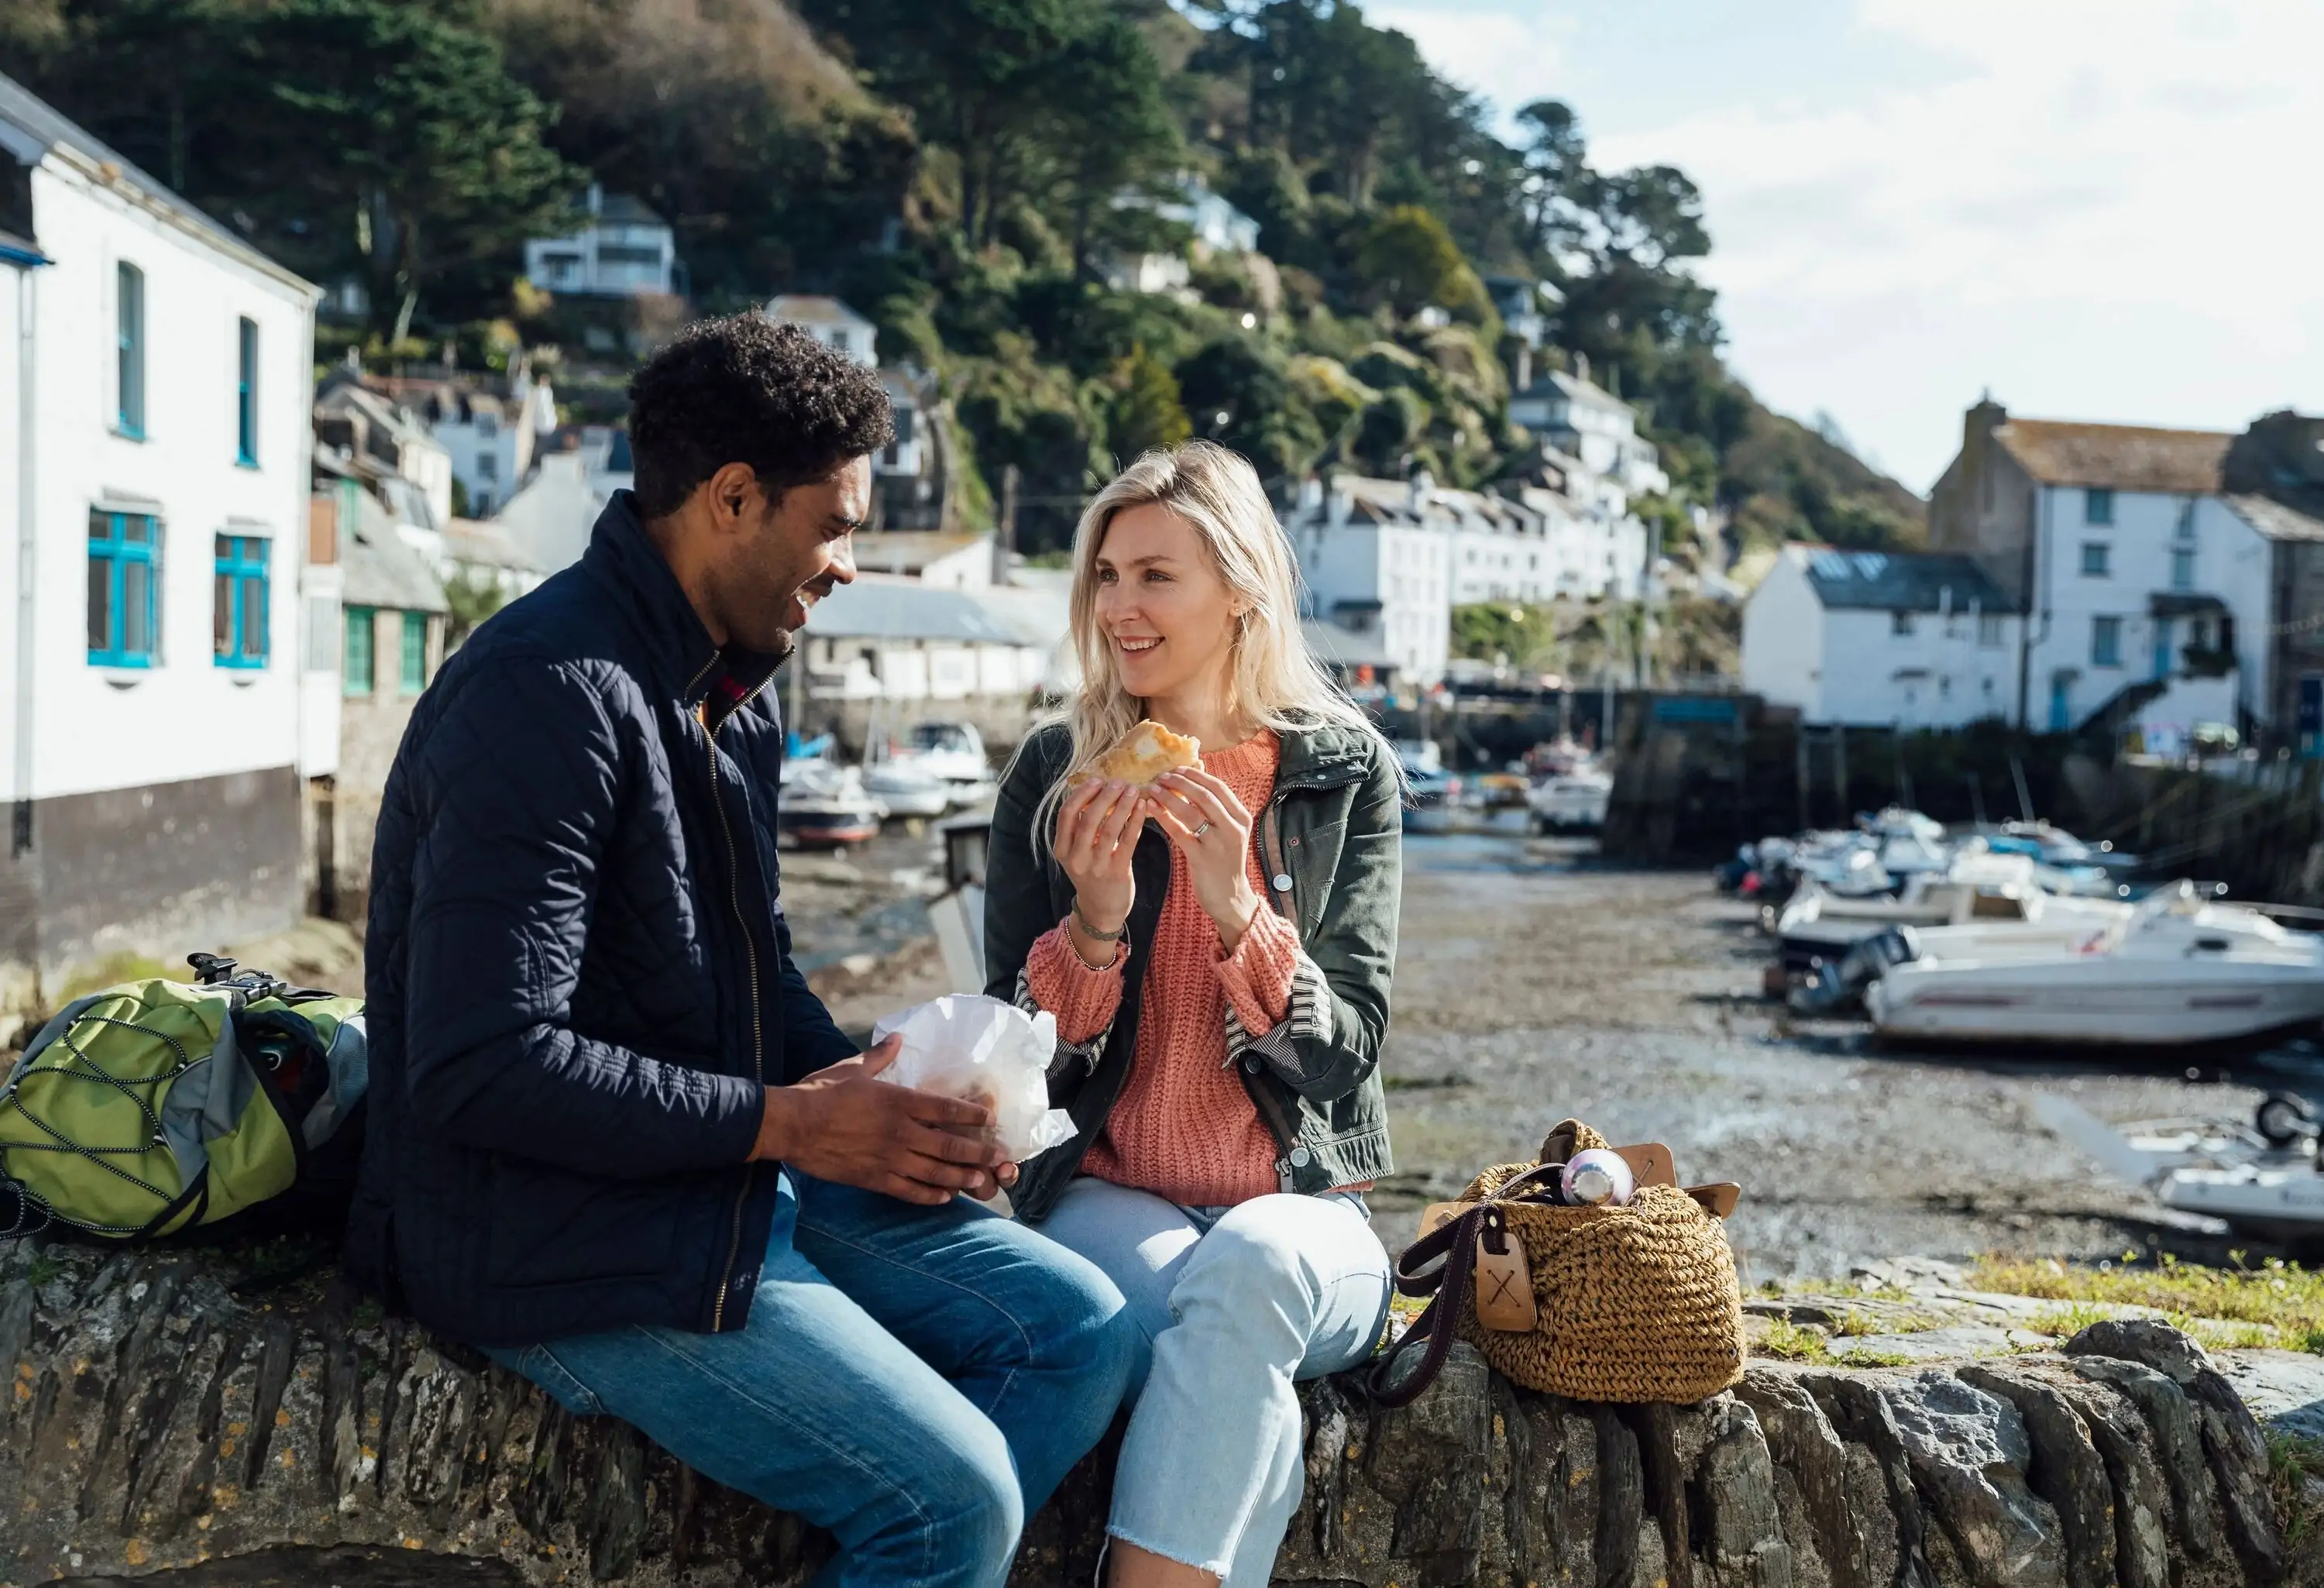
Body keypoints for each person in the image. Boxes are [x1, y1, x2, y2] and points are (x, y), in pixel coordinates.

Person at [348, 313, 1136, 1588]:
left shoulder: (731, 697)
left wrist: (889, 1098)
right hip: (551, 1239)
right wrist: (788, 1125)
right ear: (730, 498)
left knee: (1085, 1332)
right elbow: (478, 1064)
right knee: (951, 1503)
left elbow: (753, 973)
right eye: (835, 526)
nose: (845, 566)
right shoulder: (545, 694)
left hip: (704, 1186)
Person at [984, 442, 1404, 1587]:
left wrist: (1237, 909)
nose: (1120, 605)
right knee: (1223, 1340)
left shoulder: (1344, 772)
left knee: (1256, 1268)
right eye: (1107, 576)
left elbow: (1347, 1047)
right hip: (1112, 1195)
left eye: (1155, 575)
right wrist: (1096, 925)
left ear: (1240, 588)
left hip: (1308, 1203)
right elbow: (1010, 1058)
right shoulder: (1057, 771)